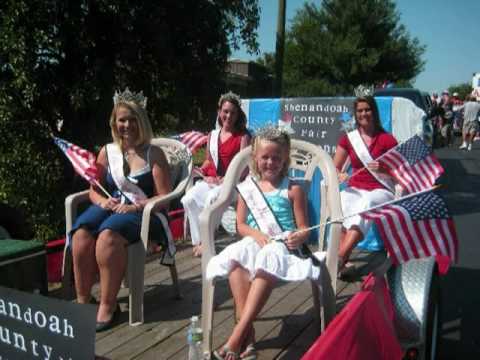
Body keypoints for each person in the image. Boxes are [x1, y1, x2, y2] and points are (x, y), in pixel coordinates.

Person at [206, 128, 322, 360]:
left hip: (282, 247)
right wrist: (256, 234)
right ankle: (247, 339)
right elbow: (240, 225)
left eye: (276, 157)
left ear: (285, 160)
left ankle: (237, 336)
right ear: (256, 159)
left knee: (269, 254)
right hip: (256, 240)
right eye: (265, 157)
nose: (270, 162)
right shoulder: (247, 188)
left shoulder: (293, 189)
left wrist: (299, 236)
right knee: (236, 255)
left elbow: (303, 229)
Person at [70, 88, 173, 332]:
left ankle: (108, 305)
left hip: (147, 213)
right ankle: (84, 301)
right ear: (114, 122)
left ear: (141, 121)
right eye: (121, 119)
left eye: (132, 119)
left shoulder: (153, 153)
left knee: (107, 237)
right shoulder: (107, 152)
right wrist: (101, 202)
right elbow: (94, 189)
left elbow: (165, 198)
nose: (126, 124)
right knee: (81, 234)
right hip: (113, 206)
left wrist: (135, 206)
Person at [181, 91, 250, 257]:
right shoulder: (212, 135)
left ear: (238, 115)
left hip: (235, 185)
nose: (229, 115)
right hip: (214, 181)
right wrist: (200, 171)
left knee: (212, 197)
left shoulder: (243, 137)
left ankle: (207, 242)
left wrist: (225, 180)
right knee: (188, 198)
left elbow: (244, 168)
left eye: (233, 112)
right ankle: (199, 241)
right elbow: (208, 162)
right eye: (226, 111)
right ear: (219, 112)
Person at [333, 95, 398, 268]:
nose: (364, 114)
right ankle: (344, 261)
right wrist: (340, 175)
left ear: (374, 111)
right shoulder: (349, 138)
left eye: (367, 109)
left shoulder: (387, 139)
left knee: (366, 203)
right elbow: (335, 168)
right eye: (360, 110)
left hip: (381, 190)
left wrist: (384, 170)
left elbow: (401, 173)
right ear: (355, 114)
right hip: (356, 187)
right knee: (339, 200)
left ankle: (339, 258)